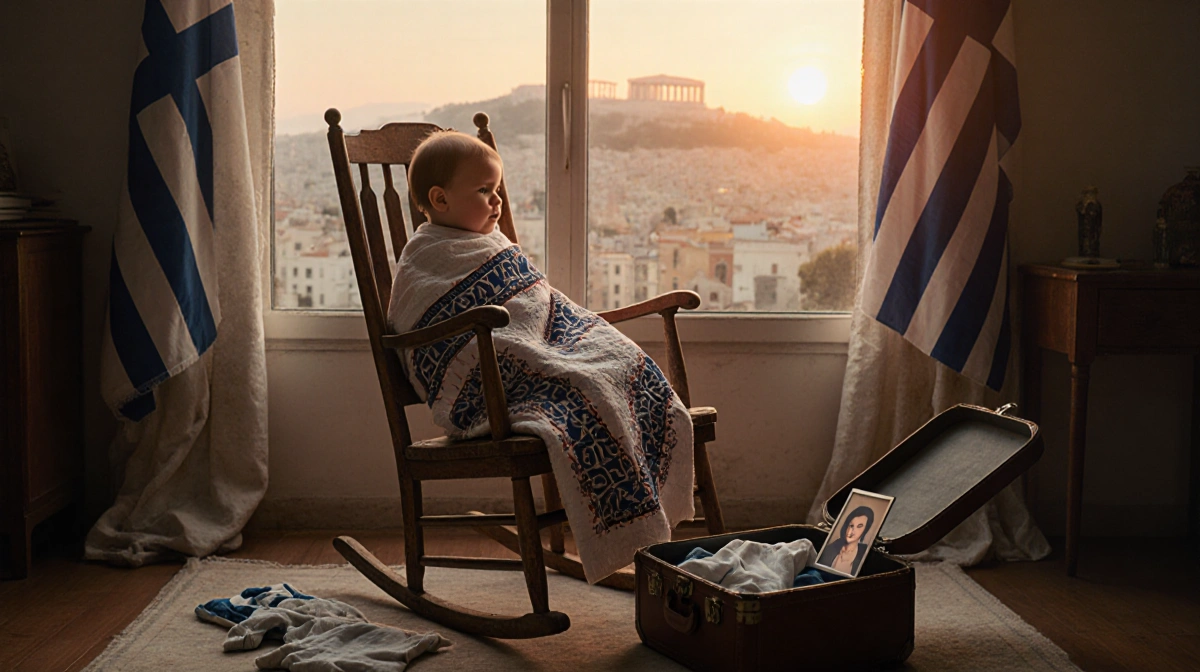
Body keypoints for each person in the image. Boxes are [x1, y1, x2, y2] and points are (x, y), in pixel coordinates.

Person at [385, 131, 696, 584]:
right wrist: (520, 343)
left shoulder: (491, 243)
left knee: (621, 364)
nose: (497, 201)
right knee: (584, 388)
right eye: (484, 191)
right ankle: (632, 538)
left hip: (552, 344)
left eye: (497, 189)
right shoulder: (425, 258)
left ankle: (647, 532)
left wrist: (562, 338)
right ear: (440, 199)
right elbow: (423, 327)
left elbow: (539, 299)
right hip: (495, 382)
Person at [818, 504, 875, 577]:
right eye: (851, 525)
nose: (852, 531)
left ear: (865, 530)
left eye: (859, 526)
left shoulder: (866, 553)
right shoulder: (829, 549)